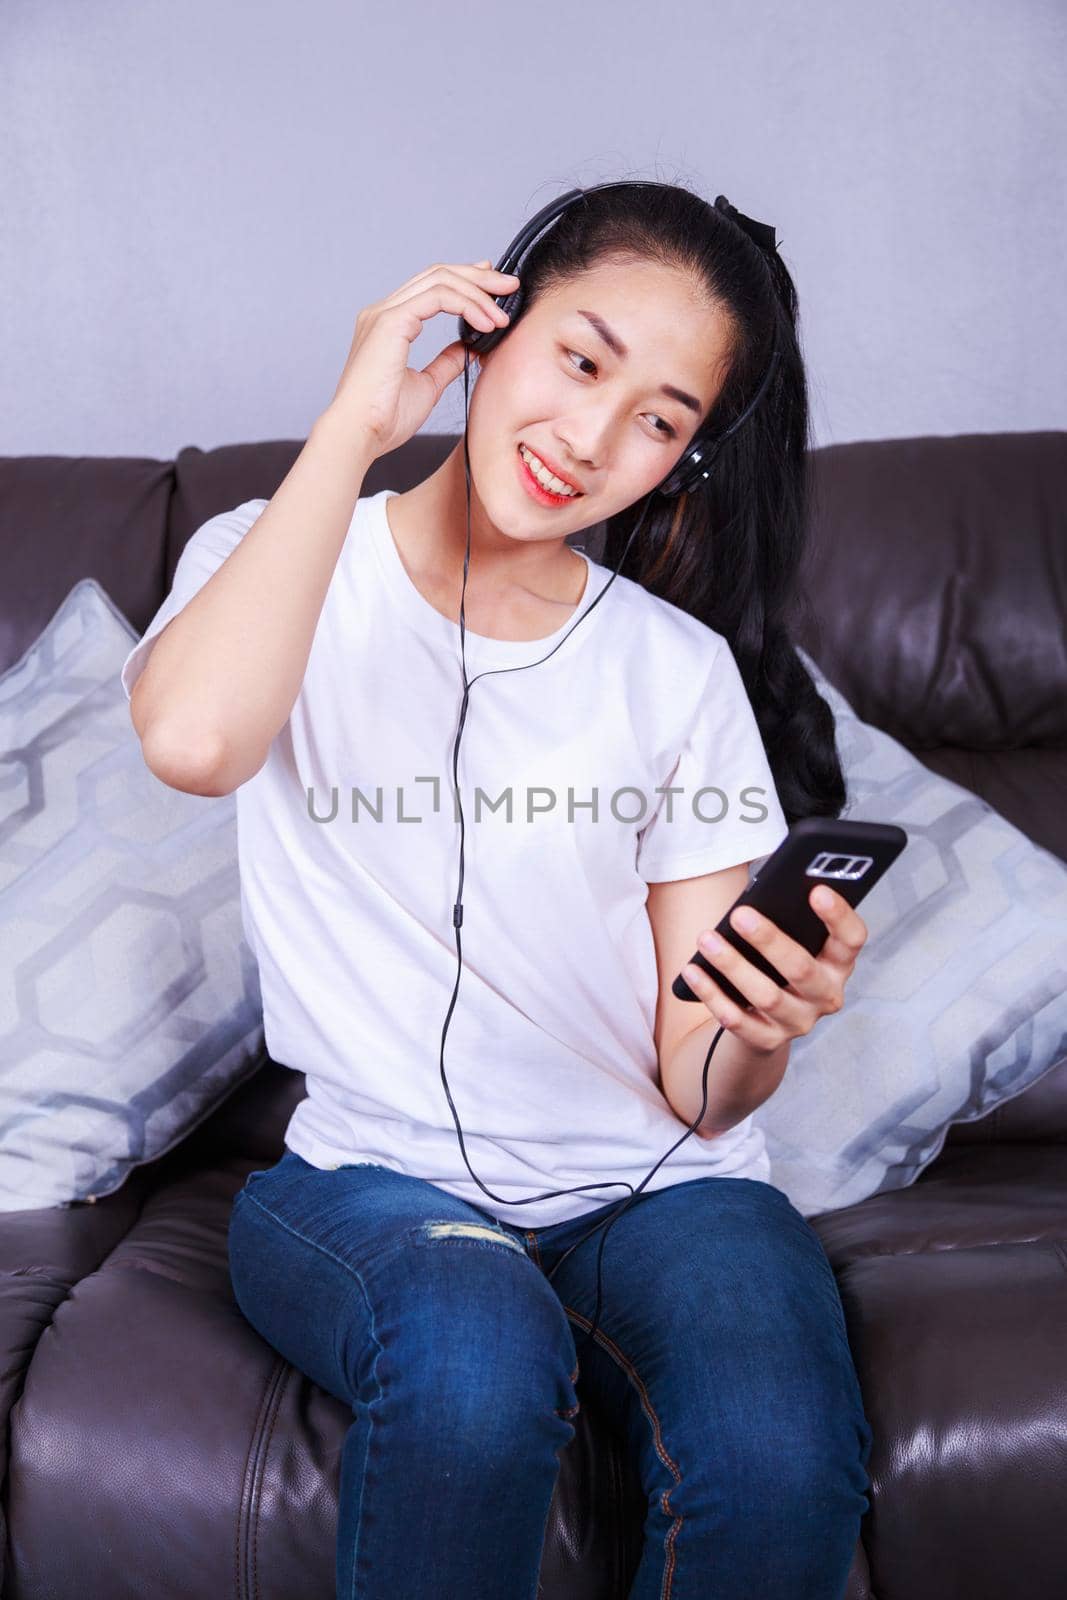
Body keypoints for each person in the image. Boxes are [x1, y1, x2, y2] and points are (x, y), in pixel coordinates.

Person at [122, 180, 875, 1600]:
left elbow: (700, 1086)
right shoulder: (269, 556)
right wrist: (358, 425)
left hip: (659, 1191)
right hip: (371, 1182)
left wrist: (765, 1020)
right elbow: (197, 742)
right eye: (581, 359)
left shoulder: (676, 672)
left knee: (780, 1453)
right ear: (491, 325)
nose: (591, 439)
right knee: (474, 1360)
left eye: (659, 419)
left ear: (684, 462)